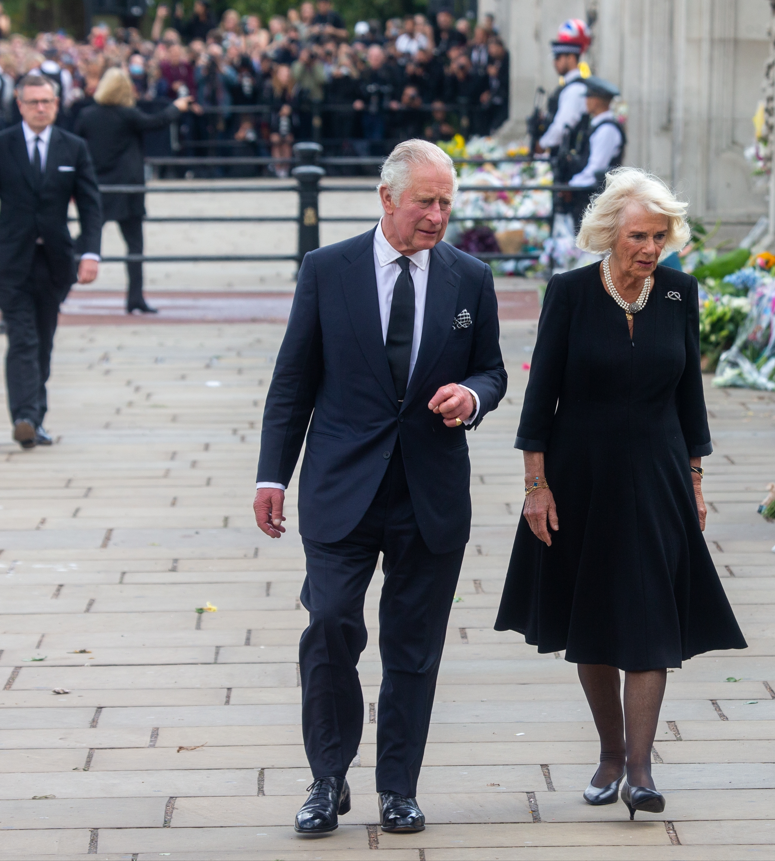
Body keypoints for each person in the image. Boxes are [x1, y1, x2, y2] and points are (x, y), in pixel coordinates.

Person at [253, 140, 506, 836]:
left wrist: (472, 396)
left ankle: (398, 787)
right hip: (341, 489)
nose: (435, 215)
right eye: (424, 200)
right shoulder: (327, 270)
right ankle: (326, 777)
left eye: (445, 202)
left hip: (428, 494)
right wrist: (272, 473)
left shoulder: (468, 279)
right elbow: (292, 381)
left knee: (412, 646)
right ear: (386, 197)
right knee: (330, 624)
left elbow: (492, 369)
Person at [493, 168, 746, 819]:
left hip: (658, 477)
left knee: (650, 617)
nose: (650, 247)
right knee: (597, 620)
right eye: (638, 234)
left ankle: (640, 767)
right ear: (609, 232)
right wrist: (534, 484)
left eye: (660, 235)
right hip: (581, 479)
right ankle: (609, 752)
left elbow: (689, 393)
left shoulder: (677, 294)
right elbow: (539, 397)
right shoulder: (571, 293)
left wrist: (695, 479)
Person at [0, 74, 102, 449]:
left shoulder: (72, 148)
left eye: (47, 102)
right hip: (9, 260)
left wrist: (90, 253)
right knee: (22, 336)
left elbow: (91, 205)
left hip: (55, 261)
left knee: (43, 340)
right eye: (33, 102)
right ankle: (24, 415)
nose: (41, 108)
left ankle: (35, 417)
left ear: (57, 104)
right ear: (20, 106)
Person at [75, 67, 189, 315]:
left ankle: (58, 286)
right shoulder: (127, 115)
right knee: (135, 247)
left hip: (100, 187)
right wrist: (176, 107)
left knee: (84, 240)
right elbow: (156, 122)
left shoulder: (87, 115)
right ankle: (135, 298)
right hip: (127, 188)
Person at [555, 77, 626, 216]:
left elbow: (596, 170)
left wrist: (571, 186)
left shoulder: (606, 129)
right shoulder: (597, 125)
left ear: (596, 101)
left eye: (588, 97)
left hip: (595, 198)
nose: (585, 101)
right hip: (588, 195)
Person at [534, 23, 588, 154]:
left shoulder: (575, 89)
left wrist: (541, 145)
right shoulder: (568, 86)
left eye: (558, 58)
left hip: (568, 157)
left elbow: (563, 126)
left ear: (571, 58)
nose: (554, 63)